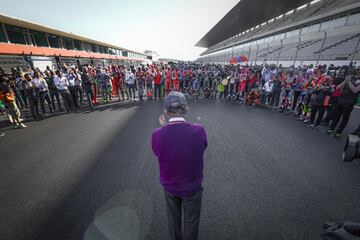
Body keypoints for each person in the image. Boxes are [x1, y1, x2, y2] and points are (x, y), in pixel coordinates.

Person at [151, 91, 207, 240]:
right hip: (193, 186)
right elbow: (203, 146)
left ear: (165, 111)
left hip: (170, 186)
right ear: (186, 109)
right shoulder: (198, 130)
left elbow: (158, 151)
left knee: (173, 221)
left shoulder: (157, 134)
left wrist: (164, 128)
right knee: (191, 222)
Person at [328, 70, 360, 137]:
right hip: (341, 100)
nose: (358, 72)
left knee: (344, 118)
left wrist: (348, 83)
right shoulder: (350, 78)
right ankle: (331, 128)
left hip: (349, 102)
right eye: (358, 70)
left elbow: (355, 90)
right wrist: (345, 82)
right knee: (337, 115)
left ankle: (338, 132)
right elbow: (338, 87)